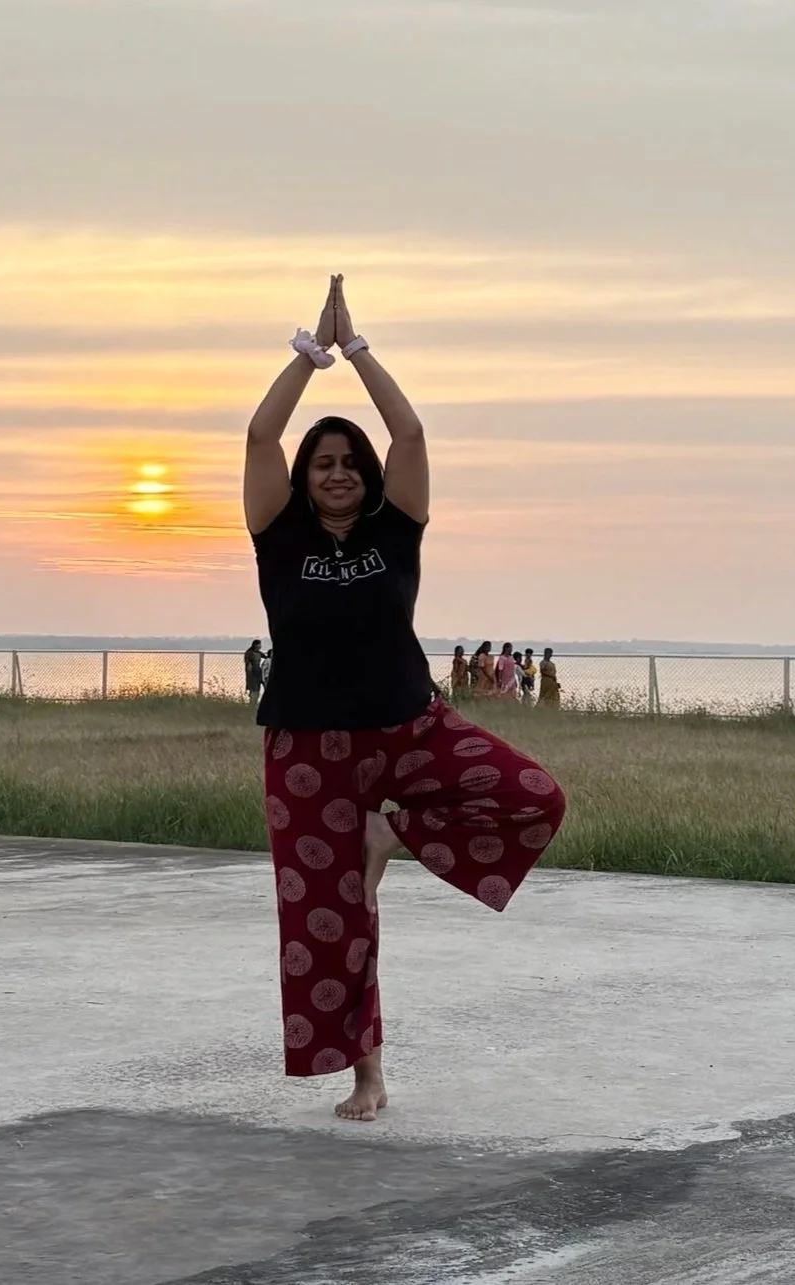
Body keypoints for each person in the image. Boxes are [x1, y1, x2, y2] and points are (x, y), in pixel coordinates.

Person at [243, 275, 567, 1123]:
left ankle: (392, 832)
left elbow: (412, 431)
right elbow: (258, 434)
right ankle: (367, 1076)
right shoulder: (278, 536)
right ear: (305, 478)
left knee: (533, 794)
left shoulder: (397, 530)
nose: (339, 473)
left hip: (409, 725)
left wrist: (358, 352)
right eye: (324, 463)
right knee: (328, 922)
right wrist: (307, 359)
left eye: (351, 462)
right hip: (305, 750)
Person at [244, 639, 265, 707]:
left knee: (257, 688)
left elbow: (266, 656)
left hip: (258, 672)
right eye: (259, 644)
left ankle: (255, 703)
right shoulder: (249, 652)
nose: (260, 646)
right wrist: (249, 672)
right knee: (253, 689)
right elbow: (247, 663)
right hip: (252, 673)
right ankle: (252, 704)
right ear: (255, 645)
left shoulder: (259, 653)